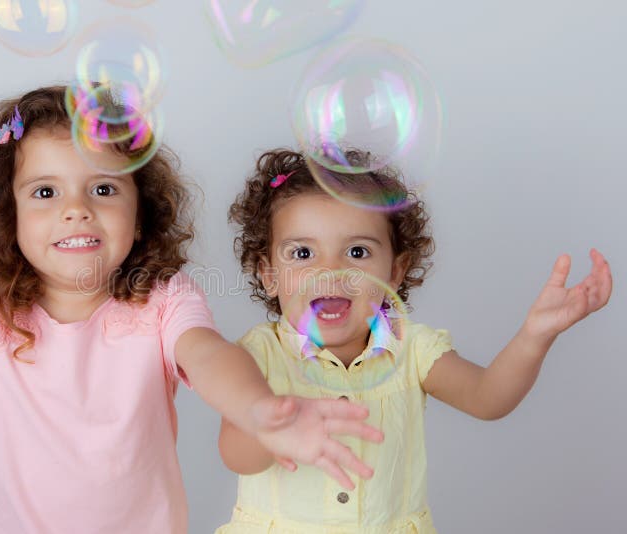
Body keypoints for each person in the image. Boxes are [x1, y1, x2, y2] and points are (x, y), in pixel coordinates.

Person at [0, 88, 385, 534]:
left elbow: (210, 356)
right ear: (7, 213)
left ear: (140, 215)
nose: (76, 211)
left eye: (103, 190)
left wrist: (261, 410)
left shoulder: (162, 301)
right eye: (45, 193)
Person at [216, 147, 612, 533]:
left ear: (394, 271)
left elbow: (487, 397)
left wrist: (535, 335)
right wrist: (271, 430)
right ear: (268, 274)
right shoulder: (258, 354)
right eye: (302, 253)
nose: (331, 270)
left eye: (356, 251)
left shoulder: (411, 349)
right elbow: (234, 452)